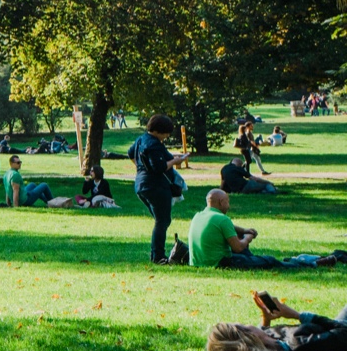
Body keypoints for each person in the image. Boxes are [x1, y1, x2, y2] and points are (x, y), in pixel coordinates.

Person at [188, 189, 340, 271]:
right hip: (221, 263)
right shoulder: (222, 219)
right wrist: (248, 237)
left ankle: (294, 261)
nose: (229, 205)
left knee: (257, 259)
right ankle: (312, 264)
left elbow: (229, 228)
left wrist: (245, 230)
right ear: (221, 202)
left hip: (200, 262)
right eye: (227, 202)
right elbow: (238, 248)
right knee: (269, 261)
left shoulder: (200, 216)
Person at [201, 290, 347, 351]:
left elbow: (261, 334)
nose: (250, 325)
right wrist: (298, 315)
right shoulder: (301, 344)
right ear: (250, 336)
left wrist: (266, 318)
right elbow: (343, 332)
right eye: (245, 325)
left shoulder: (273, 344)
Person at [129, 114, 183, 264]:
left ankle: (157, 254)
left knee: (160, 220)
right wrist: (175, 161)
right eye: (166, 133)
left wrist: (140, 169)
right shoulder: (154, 144)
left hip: (141, 184)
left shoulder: (141, 139)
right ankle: (158, 256)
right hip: (155, 186)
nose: (166, 136)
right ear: (159, 130)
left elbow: (130, 153)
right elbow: (158, 167)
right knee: (162, 220)